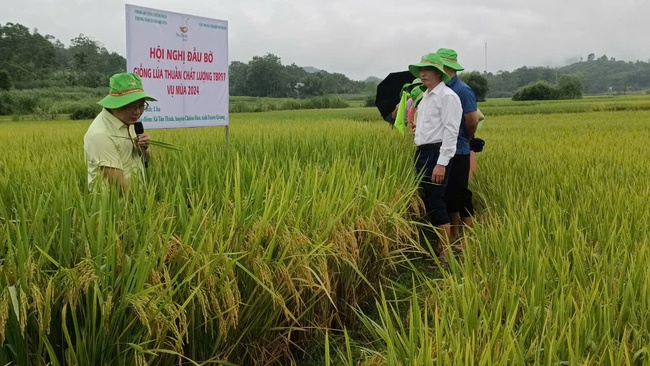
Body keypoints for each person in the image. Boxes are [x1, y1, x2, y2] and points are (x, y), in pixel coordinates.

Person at [408, 53, 462, 254]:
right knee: (428, 198)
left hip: (436, 153)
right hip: (423, 152)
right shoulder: (426, 97)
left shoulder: (447, 97)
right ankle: (440, 246)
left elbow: (451, 130)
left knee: (435, 200)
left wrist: (442, 163)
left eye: (427, 70)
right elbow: (431, 126)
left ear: (439, 73)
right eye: (421, 70)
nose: (423, 74)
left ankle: (444, 252)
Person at [84, 73, 156, 189]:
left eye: (141, 106)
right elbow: (119, 186)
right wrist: (140, 204)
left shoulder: (129, 122)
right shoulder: (101, 135)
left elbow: (143, 161)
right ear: (114, 105)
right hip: (115, 204)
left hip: (136, 198)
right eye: (131, 106)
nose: (137, 112)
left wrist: (144, 149)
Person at [436, 48, 480, 240]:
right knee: (449, 195)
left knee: (460, 193)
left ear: (447, 68)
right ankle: (454, 235)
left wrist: (466, 139)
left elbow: (472, 120)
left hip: (460, 148)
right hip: (444, 148)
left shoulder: (462, 90)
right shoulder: (440, 90)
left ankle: (467, 236)